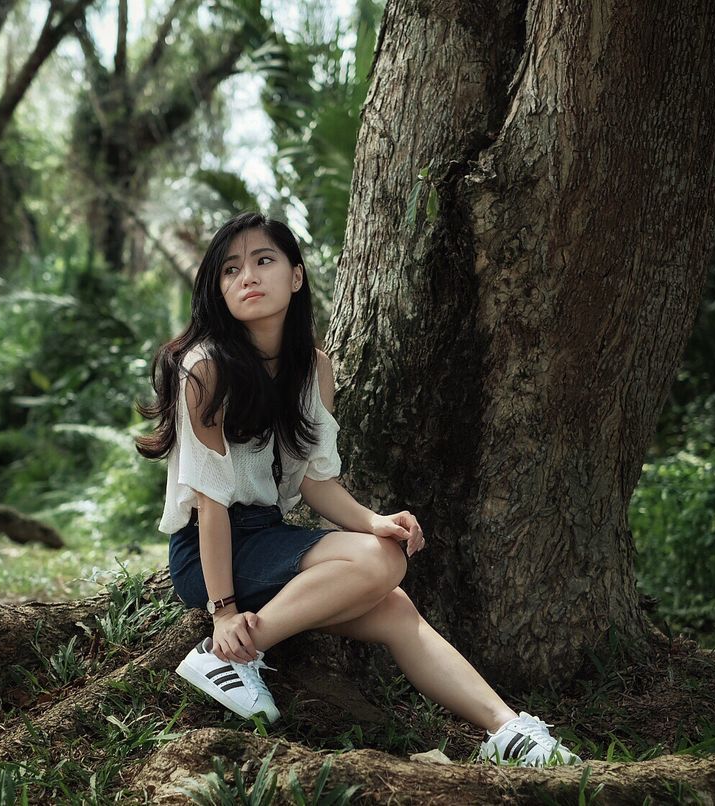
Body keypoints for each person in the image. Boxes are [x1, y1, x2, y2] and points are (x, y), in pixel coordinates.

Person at [136, 211, 579, 766]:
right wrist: (224, 611)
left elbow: (314, 480)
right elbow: (210, 502)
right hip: (208, 551)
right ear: (218, 290)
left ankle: (512, 733)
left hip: (265, 538)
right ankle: (229, 654)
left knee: (394, 605)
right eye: (229, 270)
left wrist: (374, 520)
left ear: (296, 276)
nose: (246, 276)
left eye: (263, 260)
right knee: (381, 564)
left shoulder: (314, 369)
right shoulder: (205, 368)